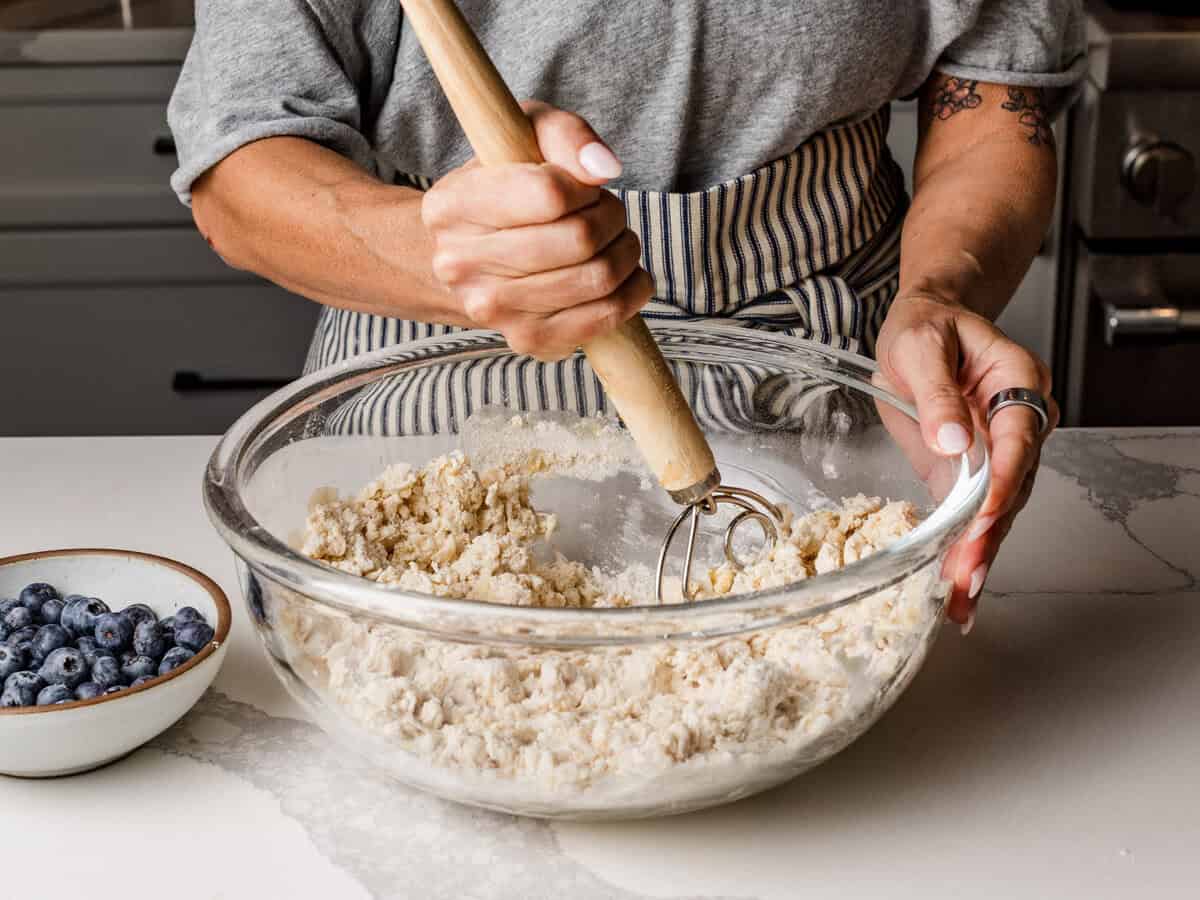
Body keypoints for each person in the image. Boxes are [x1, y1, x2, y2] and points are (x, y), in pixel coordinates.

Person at [167, 1, 1085, 632]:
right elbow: (239, 173)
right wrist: (444, 252)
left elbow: (995, 100)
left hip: (843, 389)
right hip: (432, 379)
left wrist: (939, 297)